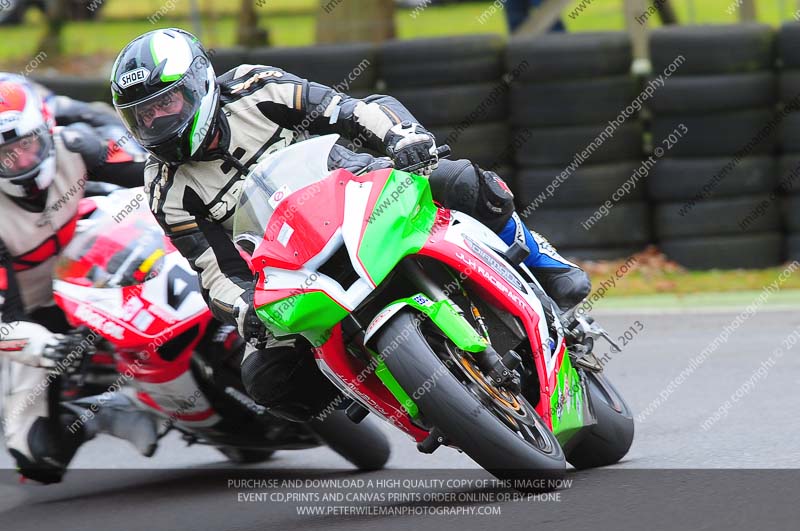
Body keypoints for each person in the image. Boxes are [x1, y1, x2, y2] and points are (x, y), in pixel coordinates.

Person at [110, 28, 590, 422]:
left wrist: (404, 139)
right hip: (292, 268)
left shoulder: (256, 89)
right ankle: (378, 390)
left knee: (460, 179)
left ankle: (547, 264)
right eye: (142, 115)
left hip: (362, 194)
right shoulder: (165, 189)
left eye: (165, 104)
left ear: (198, 85)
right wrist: (244, 311)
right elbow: (213, 268)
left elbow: (345, 109)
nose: (156, 121)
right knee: (267, 379)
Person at [0, 74, 158, 484]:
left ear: (45, 132)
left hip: (92, 251)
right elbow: (5, 320)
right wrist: (47, 347)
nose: (21, 162)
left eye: (27, 145)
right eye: (4, 156)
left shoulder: (76, 144)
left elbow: (157, 173)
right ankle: (106, 411)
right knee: (36, 457)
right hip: (38, 315)